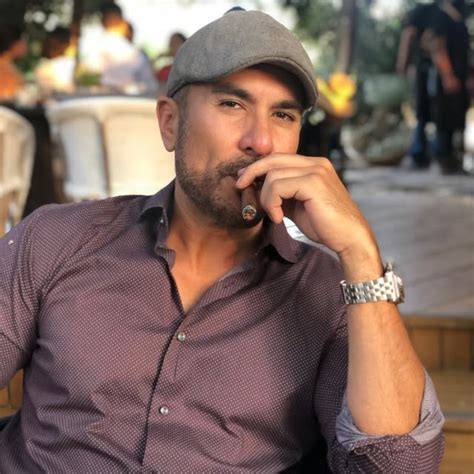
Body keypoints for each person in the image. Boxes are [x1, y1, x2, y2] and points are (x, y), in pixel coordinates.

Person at [0, 8, 445, 472]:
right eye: (232, 104)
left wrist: (360, 253)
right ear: (170, 123)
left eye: (283, 114)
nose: (261, 141)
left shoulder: (329, 295)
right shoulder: (58, 240)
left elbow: (399, 466)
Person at [396, 1, 440, 169]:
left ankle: (428, 152)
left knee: (431, 113)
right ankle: (419, 152)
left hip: (436, 69)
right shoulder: (424, 10)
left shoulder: (449, 10)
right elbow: (408, 36)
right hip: (425, 67)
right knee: (422, 111)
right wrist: (402, 64)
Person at [430, 0, 470, 174]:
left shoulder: (459, 16)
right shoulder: (441, 17)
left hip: (461, 75)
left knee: (458, 118)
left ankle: (456, 160)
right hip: (448, 77)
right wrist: (448, 75)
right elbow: (438, 48)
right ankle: (444, 160)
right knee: (445, 118)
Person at [82, 2, 157, 92]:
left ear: (102, 23)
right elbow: (150, 86)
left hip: (101, 99)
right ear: (123, 22)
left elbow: (84, 78)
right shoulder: (137, 54)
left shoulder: (94, 53)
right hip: (130, 99)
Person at [34, 27, 76, 94]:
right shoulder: (44, 65)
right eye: (67, 43)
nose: (68, 47)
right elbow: (50, 89)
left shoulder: (65, 62)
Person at [0, 23, 27, 102]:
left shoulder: (7, 65)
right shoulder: (4, 68)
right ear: (14, 44)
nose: (25, 46)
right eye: (23, 41)